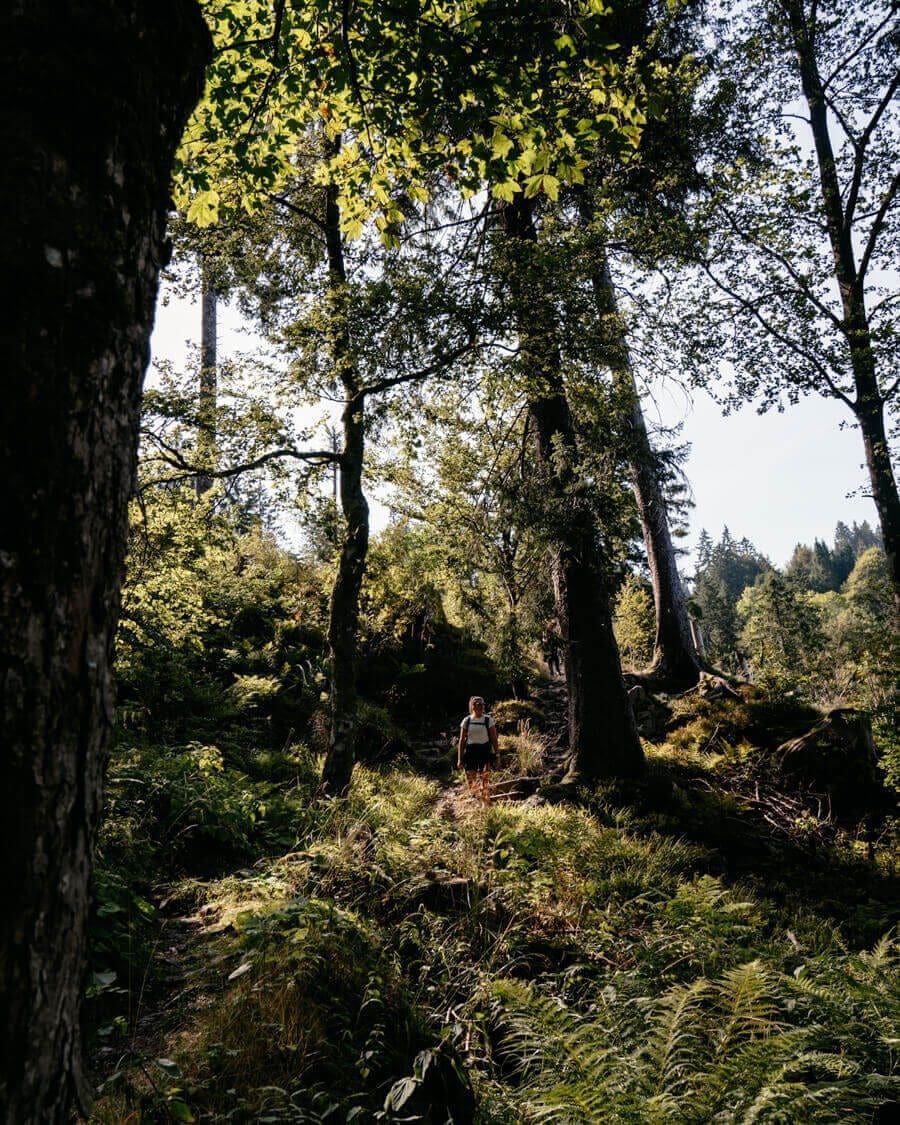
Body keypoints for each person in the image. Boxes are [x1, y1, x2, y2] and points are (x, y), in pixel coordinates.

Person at [457, 695, 499, 803]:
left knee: (484, 778)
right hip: (471, 751)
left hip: (484, 751)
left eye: (482, 704)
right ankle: (474, 799)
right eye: (478, 704)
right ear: (472, 706)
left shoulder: (488, 720)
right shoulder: (466, 720)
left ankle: (485, 801)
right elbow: (461, 740)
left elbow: (494, 739)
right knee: (470, 778)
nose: (481, 706)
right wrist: (460, 759)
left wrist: (497, 755)